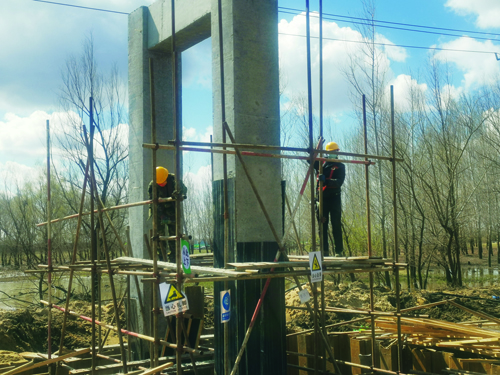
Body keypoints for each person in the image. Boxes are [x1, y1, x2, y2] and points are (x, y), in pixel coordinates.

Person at [312, 141, 345, 257]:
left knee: (336, 224)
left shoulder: (340, 166)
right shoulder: (322, 163)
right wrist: (314, 150)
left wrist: (325, 180)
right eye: (333, 152)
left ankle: (338, 251)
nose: (335, 153)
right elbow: (310, 160)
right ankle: (324, 251)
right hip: (322, 198)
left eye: (336, 152)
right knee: (322, 224)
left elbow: (338, 182)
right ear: (328, 153)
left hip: (334, 198)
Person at [148, 166, 187, 262]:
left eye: (163, 182)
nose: (161, 184)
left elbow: (184, 191)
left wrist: (179, 193)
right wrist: (160, 213)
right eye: (159, 183)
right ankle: (161, 259)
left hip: (172, 211)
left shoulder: (174, 180)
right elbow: (152, 201)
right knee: (159, 237)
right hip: (159, 212)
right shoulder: (152, 185)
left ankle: (174, 259)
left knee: (174, 236)